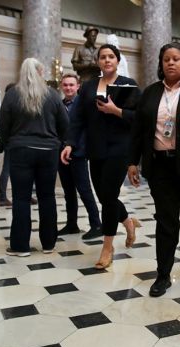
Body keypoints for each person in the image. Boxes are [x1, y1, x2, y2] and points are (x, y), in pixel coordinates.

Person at [127, 42, 180, 297]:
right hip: (160, 166)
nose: (170, 63)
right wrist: (132, 161)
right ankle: (163, 275)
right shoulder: (150, 93)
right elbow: (138, 131)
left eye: (176, 59)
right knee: (166, 223)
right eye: (166, 60)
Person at [61, 44, 141, 269]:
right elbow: (77, 119)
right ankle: (127, 222)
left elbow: (140, 117)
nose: (107, 60)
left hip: (120, 148)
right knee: (105, 197)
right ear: (98, 62)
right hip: (95, 149)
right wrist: (69, 144)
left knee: (109, 195)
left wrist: (115, 110)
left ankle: (107, 247)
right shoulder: (87, 87)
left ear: (117, 60)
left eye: (111, 57)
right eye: (103, 57)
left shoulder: (128, 84)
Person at [0, 58, 68, 256]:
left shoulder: (12, 95)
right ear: (40, 72)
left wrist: (12, 140)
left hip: (21, 151)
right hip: (48, 152)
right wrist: (56, 142)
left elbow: (1, 123)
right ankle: (48, 244)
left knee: (21, 198)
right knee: (47, 197)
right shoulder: (52, 95)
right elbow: (65, 123)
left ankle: (20, 247)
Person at [57, 73, 102, 238]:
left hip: (78, 152)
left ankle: (96, 224)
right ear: (62, 86)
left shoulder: (83, 105)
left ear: (77, 87)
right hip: (61, 153)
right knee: (68, 191)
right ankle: (71, 224)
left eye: (71, 85)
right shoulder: (59, 105)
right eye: (65, 85)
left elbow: (85, 130)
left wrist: (75, 146)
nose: (68, 88)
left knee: (84, 190)